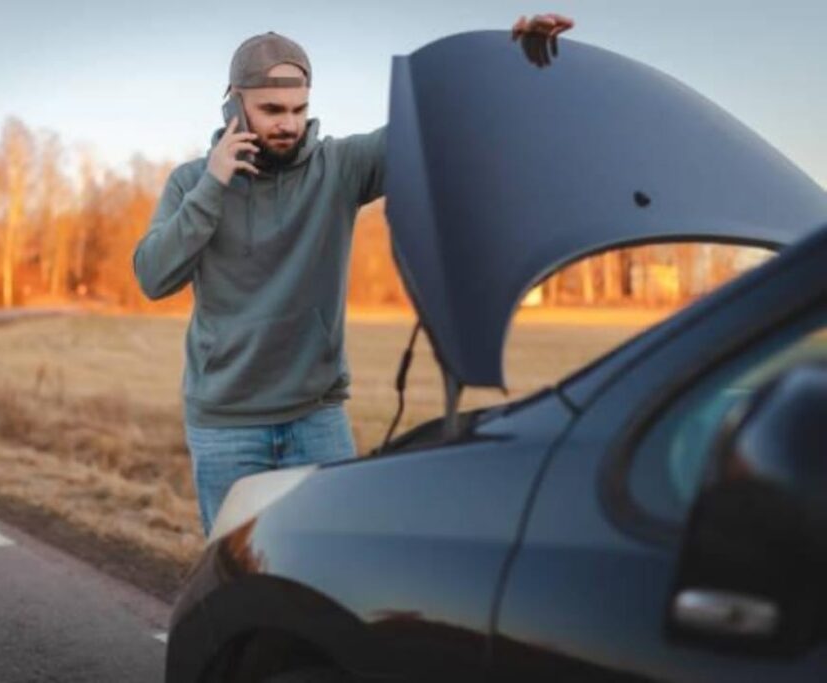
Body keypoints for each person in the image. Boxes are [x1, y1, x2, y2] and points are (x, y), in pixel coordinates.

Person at [133, 14, 575, 537]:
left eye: (298, 109)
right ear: (234, 105)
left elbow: (433, 125)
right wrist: (213, 186)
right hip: (225, 423)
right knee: (236, 577)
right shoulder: (192, 182)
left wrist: (507, 61)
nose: (288, 124)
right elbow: (153, 277)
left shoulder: (339, 167)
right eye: (271, 109)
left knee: (330, 572)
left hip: (317, 418)